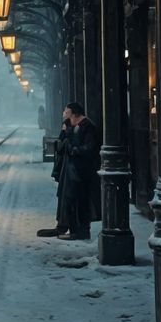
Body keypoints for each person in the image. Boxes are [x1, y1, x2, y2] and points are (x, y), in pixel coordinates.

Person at [58, 102, 100, 239]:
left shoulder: (87, 126)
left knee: (81, 201)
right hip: (72, 170)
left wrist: (74, 150)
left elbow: (90, 148)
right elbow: (61, 145)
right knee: (71, 200)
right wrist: (65, 131)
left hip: (82, 171)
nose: (64, 114)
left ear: (75, 114)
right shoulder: (71, 126)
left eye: (67, 112)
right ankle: (73, 229)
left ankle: (81, 231)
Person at [39, 109, 73, 238]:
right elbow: (59, 147)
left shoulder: (74, 129)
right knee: (64, 198)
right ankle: (62, 225)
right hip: (66, 169)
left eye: (66, 111)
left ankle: (66, 227)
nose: (63, 113)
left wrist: (65, 132)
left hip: (72, 170)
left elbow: (61, 147)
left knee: (67, 198)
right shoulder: (68, 127)